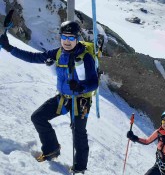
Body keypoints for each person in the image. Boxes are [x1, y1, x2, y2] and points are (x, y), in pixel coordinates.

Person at [0, 21, 98, 174]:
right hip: (64, 98)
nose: (67, 41)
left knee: (78, 132)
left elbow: (94, 82)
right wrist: (10, 48)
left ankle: (79, 168)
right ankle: (51, 149)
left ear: (77, 38)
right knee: (38, 117)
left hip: (81, 100)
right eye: (64, 37)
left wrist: (81, 87)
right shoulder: (58, 53)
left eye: (71, 38)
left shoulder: (85, 57)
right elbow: (34, 57)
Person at [127, 111, 165, 175]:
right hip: (159, 164)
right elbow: (146, 141)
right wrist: (134, 137)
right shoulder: (159, 132)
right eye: (164, 121)